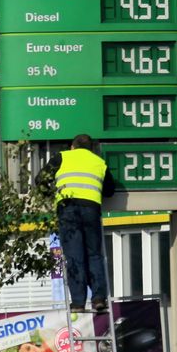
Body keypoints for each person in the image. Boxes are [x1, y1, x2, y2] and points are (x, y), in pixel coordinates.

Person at [39, 133, 115, 312]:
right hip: (91, 209)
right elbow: (110, 190)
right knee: (94, 255)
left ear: (72, 147)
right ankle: (98, 299)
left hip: (68, 208)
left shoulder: (62, 157)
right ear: (91, 149)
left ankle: (79, 303)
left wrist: (52, 196)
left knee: (74, 256)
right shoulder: (99, 162)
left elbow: (40, 181)